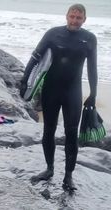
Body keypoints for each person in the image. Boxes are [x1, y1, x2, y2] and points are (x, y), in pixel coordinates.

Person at [19, 4, 98, 191]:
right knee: (49, 130)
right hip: (51, 90)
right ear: (67, 16)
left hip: (73, 92)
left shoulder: (89, 39)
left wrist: (93, 94)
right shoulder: (53, 34)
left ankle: (68, 176)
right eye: (72, 16)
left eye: (78, 18)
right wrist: (24, 80)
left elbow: (92, 68)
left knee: (72, 133)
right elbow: (35, 57)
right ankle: (49, 169)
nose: (74, 21)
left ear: (84, 20)